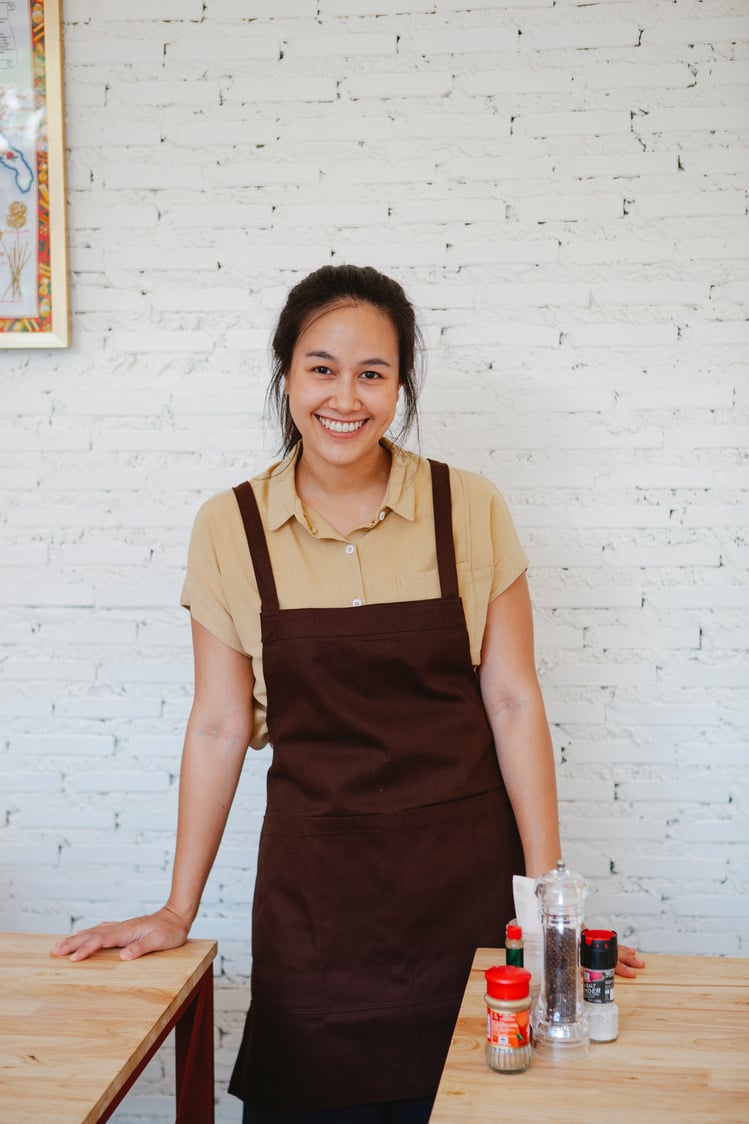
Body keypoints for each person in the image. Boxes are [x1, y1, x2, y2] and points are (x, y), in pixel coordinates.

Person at [51, 265, 644, 1123]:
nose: (346, 397)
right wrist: (178, 907)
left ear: (399, 386)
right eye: (321, 367)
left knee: (483, 1101)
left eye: (373, 373)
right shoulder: (232, 527)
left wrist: (548, 910)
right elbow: (220, 726)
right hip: (315, 909)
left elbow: (513, 702)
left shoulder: (466, 507)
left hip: (467, 895)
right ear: (285, 375)